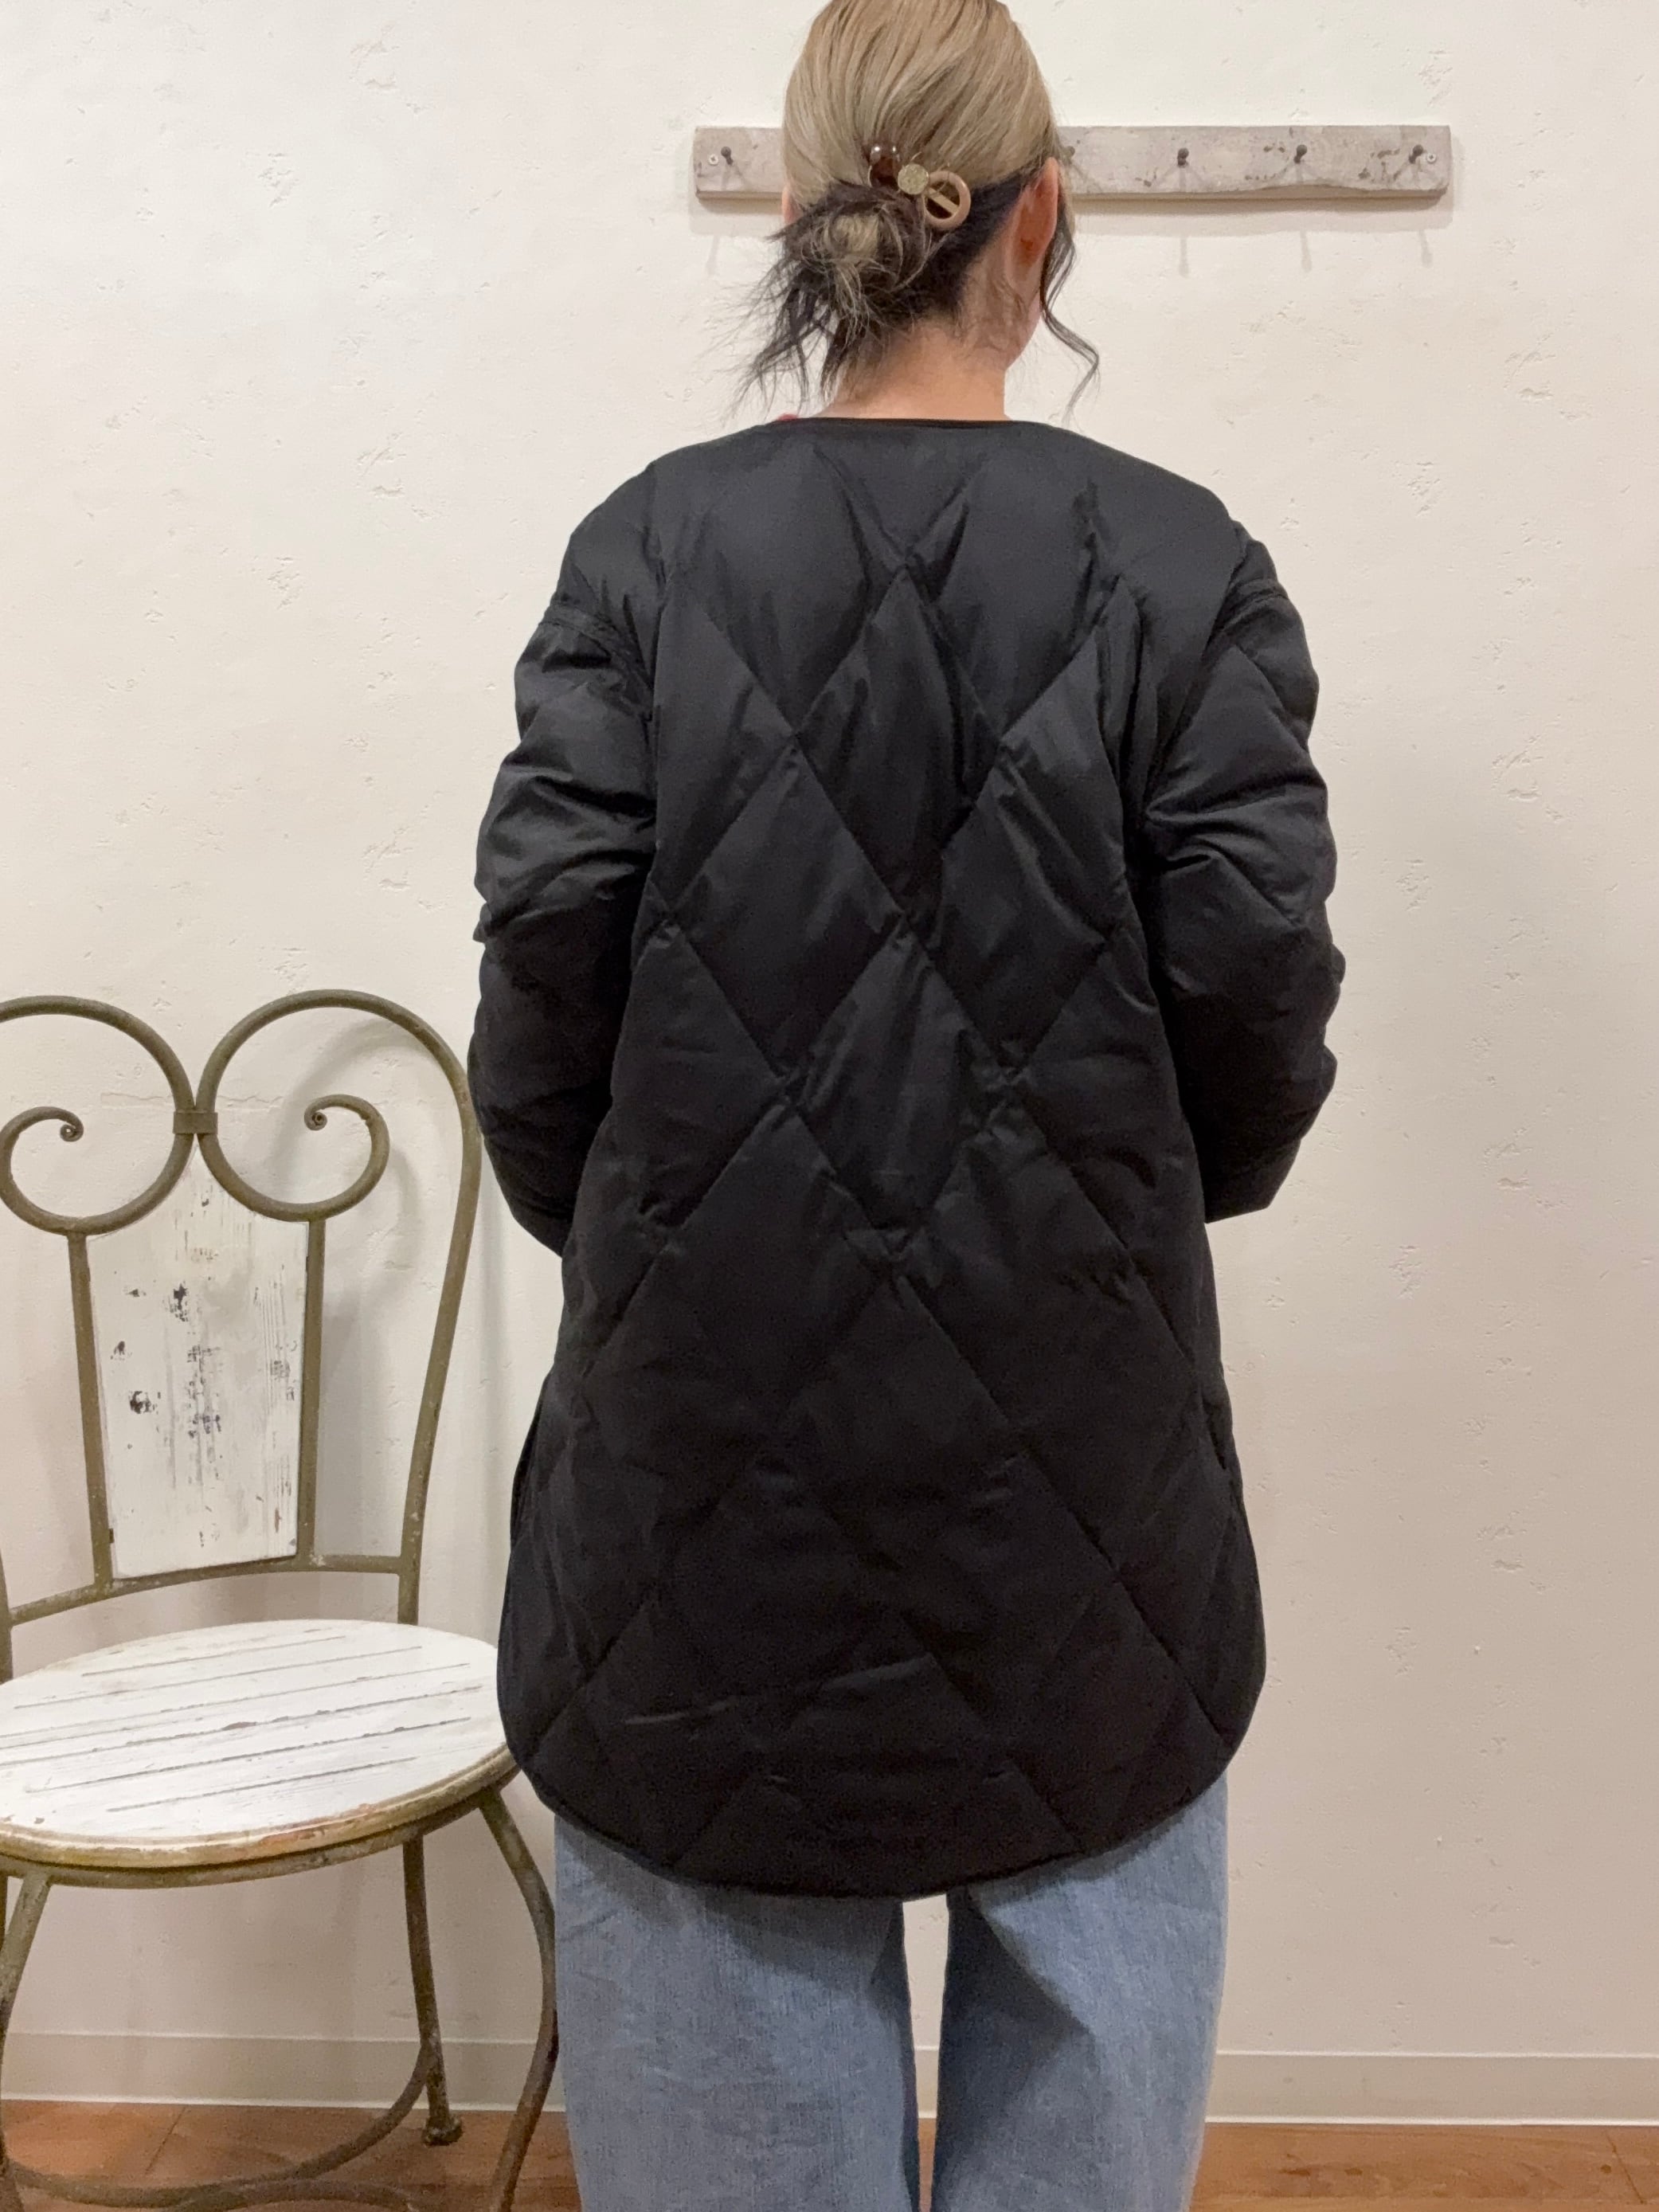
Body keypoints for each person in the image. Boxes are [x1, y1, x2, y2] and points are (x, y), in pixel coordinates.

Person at [467, 1, 1343, 2204]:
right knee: (1094, 1960)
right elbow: (1253, 991)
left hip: (700, 1469)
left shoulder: (645, 550)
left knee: (719, 2018)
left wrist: (657, 1233)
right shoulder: (1176, 561)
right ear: (1040, 223)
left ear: (801, 214)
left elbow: (547, 967)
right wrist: (1123, 1204)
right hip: (1083, 1458)